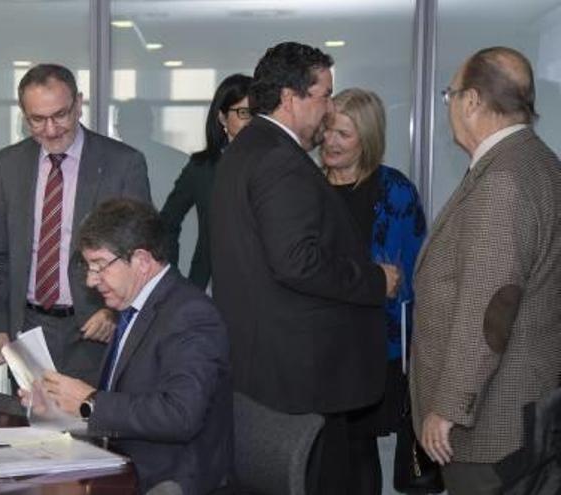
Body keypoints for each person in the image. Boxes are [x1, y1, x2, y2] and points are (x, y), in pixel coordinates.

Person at [209, 42, 401, 494]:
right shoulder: (280, 161)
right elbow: (297, 262)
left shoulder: (245, 149)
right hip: (300, 377)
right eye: (325, 95)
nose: (330, 108)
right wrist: (377, 279)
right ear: (292, 98)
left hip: (266, 367)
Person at [411, 46, 561, 495]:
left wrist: (449, 407)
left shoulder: (502, 180)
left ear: (472, 101)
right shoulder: (540, 162)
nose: (451, 106)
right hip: (529, 405)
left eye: (450, 95)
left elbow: (490, 308)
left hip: (493, 426)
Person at [38, 198, 232, 494]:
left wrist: (87, 402)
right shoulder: (133, 306)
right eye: (88, 267)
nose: (91, 281)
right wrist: (60, 404)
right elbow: (124, 396)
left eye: (100, 266)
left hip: (167, 480)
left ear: (142, 260)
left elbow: (180, 415)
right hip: (121, 463)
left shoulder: (191, 314)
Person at [0, 64, 151, 386]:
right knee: (27, 432)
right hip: (27, 331)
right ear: (23, 114)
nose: (50, 129)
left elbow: (143, 254)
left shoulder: (122, 163)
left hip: (94, 329)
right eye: (37, 119)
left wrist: (115, 312)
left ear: (79, 104)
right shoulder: (9, 164)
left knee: (91, 432)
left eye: (60, 115)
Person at [319, 88, 427, 494]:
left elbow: (415, 277)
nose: (330, 140)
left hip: (375, 351)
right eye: (328, 128)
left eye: (343, 134)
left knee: (360, 454)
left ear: (367, 138)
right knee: (318, 454)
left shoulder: (395, 191)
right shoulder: (306, 187)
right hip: (315, 348)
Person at [160, 74, 253, 289]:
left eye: (258, 114)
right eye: (244, 113)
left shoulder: (275, 166)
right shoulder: (202, 167)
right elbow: (166, 223)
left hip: (264, 291)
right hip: (210, 285)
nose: (252, 122)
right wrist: (171, 278)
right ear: (222, 118)